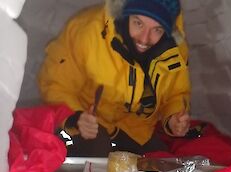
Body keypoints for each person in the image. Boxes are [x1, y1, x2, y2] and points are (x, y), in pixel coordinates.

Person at [38, 0, 191, 157]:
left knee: (159, 163)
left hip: (134, 126)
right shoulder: (86, 31)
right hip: (86, 119)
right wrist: (76, 118)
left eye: (157, 30)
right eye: (138, 23)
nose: (145, 39)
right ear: (125, 15)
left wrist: (173, 118)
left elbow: (176, 93)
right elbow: (56, 85)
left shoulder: (173, 50)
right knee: (97, 159)